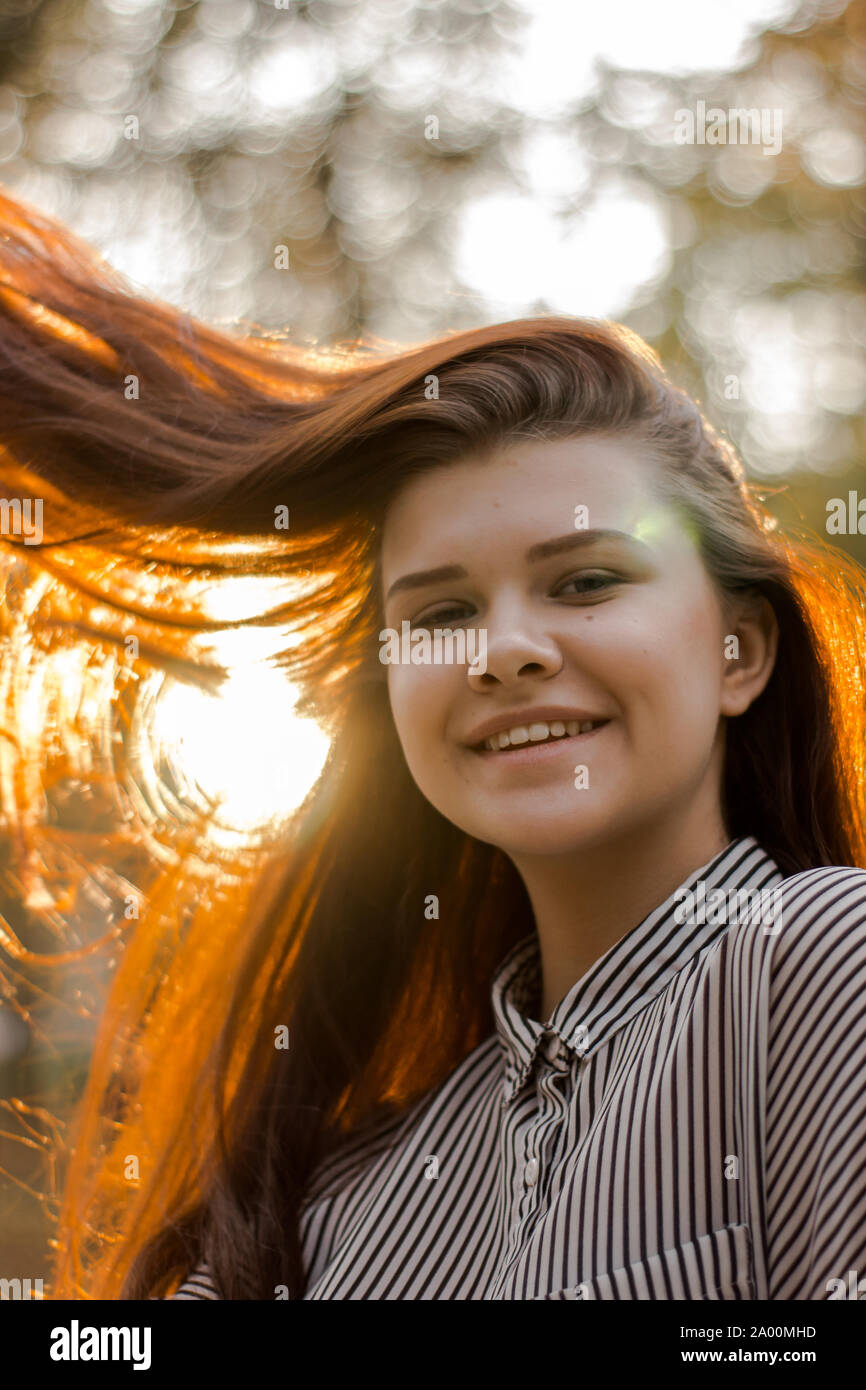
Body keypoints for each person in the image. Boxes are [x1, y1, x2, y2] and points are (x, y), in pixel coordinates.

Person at [0, 188, 864, 1301]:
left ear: (738, 652)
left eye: (585, 581)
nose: (501, 651)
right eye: (440, 613)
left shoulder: (819, 966)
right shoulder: (324, 1205)